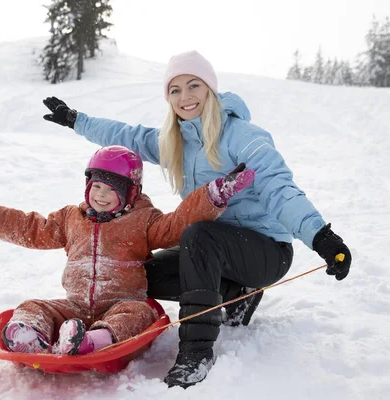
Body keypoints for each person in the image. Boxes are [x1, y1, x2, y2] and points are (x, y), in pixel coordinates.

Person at [41, 50, 352, 388]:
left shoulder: (243, 136)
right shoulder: (177, 139)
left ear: (210, 90)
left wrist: (321, 237)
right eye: (175, 90)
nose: (185, 97)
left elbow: (280, 189)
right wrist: (76, 120)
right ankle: (238, 292)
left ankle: (197, 352)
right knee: (141, 275)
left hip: (266, 251)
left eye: (193, 86)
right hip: (214, 250)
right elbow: (128, 135)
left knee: (199, 235)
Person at [0, 145, 255, 357]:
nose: (100, 195)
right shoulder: (70, 218)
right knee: (33, 305)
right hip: (74, 306)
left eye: (111, 189)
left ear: (130, 194)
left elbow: (176, 225)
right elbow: (35, 228)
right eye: (96, 186)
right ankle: (30, 336)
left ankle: (91, 342)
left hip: (121, 302)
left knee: (141, 314)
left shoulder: (143, 220)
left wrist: (213, 195)